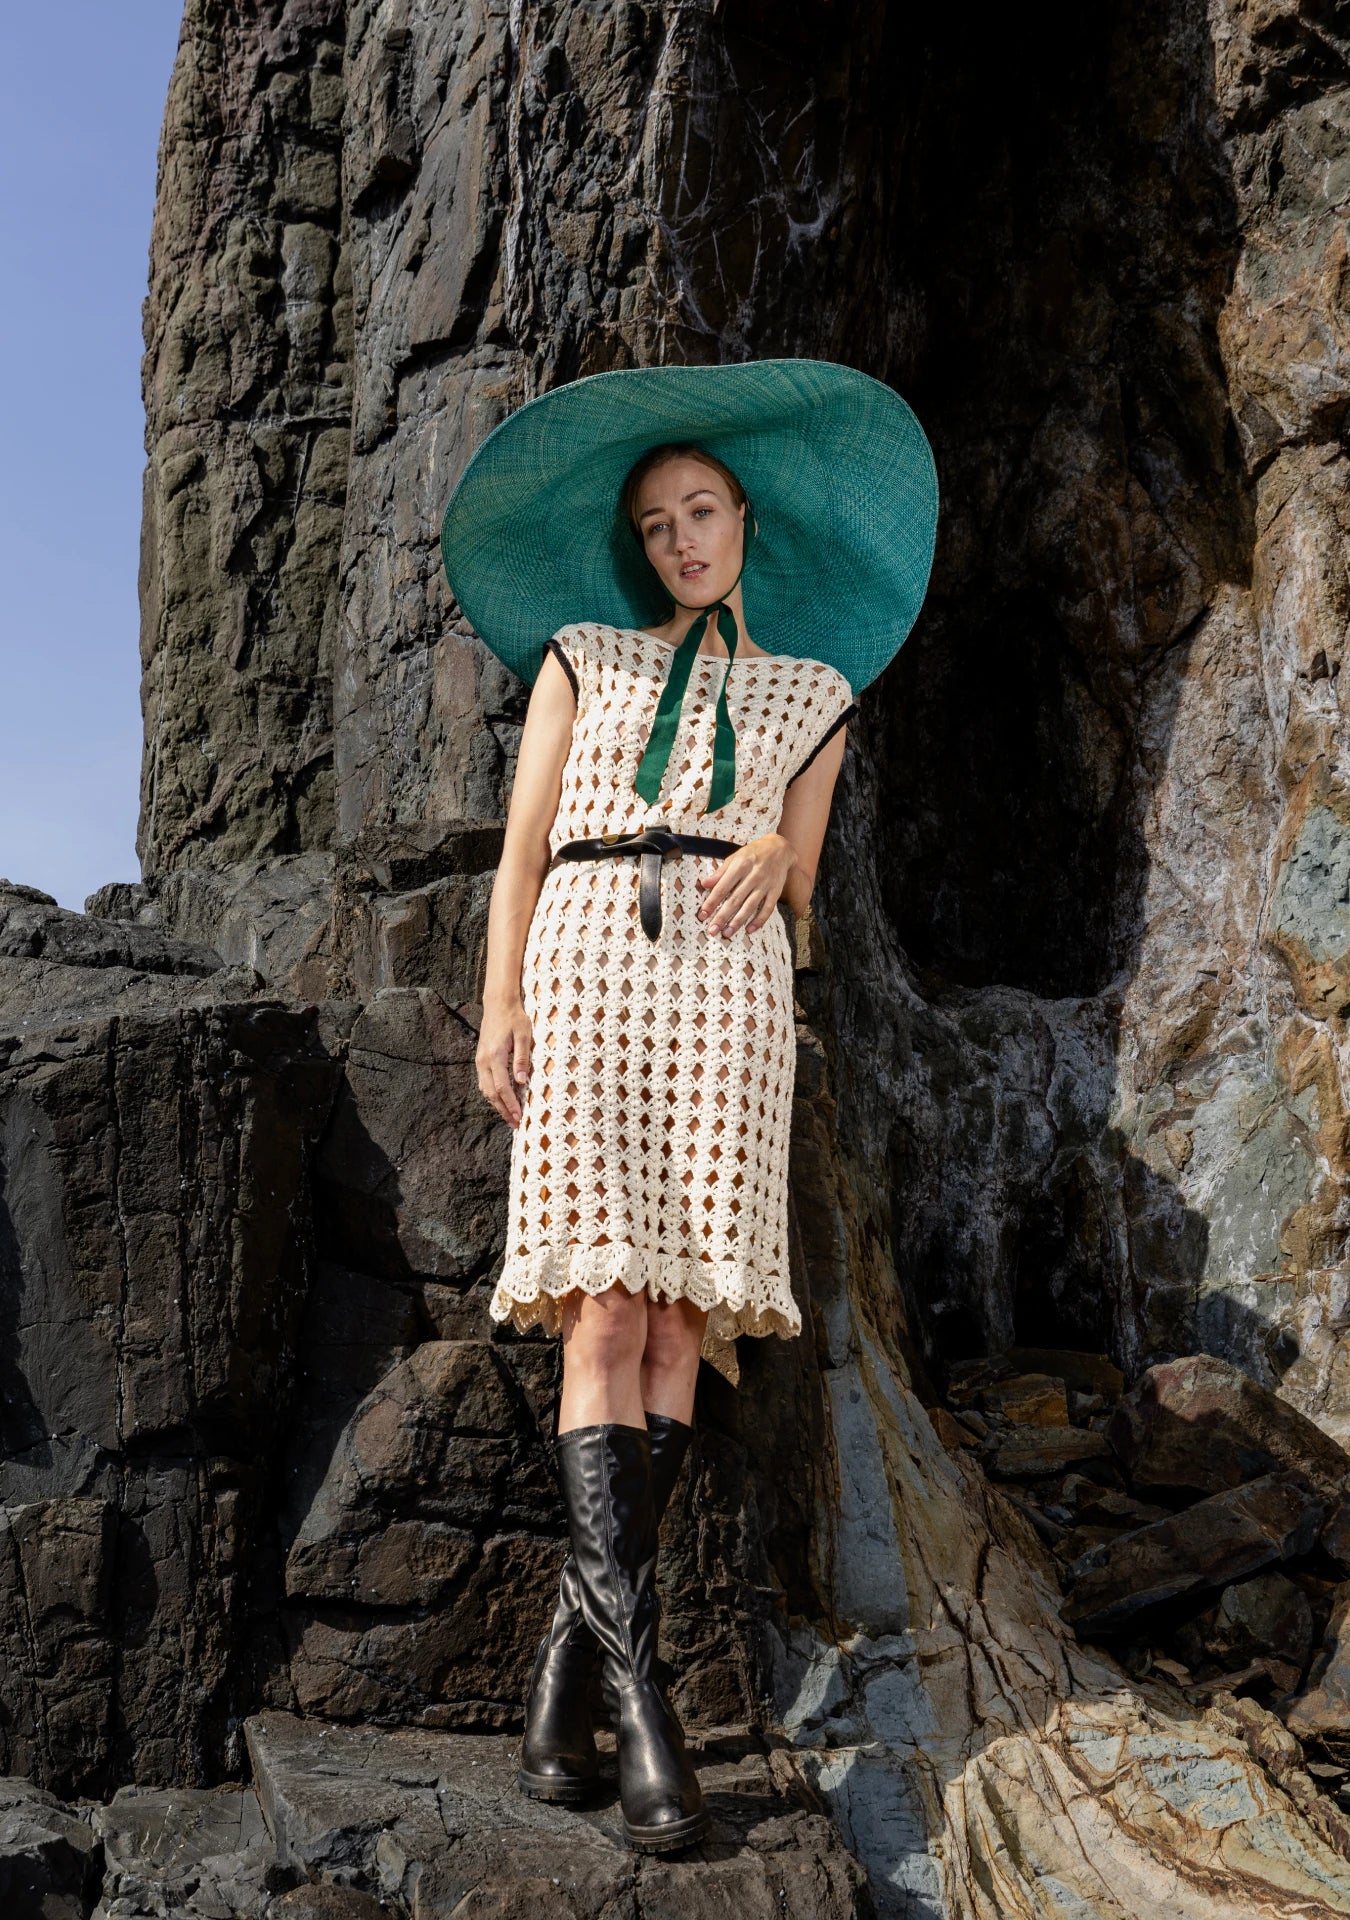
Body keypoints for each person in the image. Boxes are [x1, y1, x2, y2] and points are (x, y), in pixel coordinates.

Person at [439, 359, 938, 1854]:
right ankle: (642, 1698)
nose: (680, 540)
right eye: (655, 523)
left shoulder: (817, 698)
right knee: (600, 1312)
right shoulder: (580, 657)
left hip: (728, 1001)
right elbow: (520, 853)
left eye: (701, 511)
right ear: (638, 547)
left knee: (673, 1322)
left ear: (745, 523)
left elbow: (803, 876)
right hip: (590, 964)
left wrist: (785, 863)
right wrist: (499, 1002)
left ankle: (565, 1679)